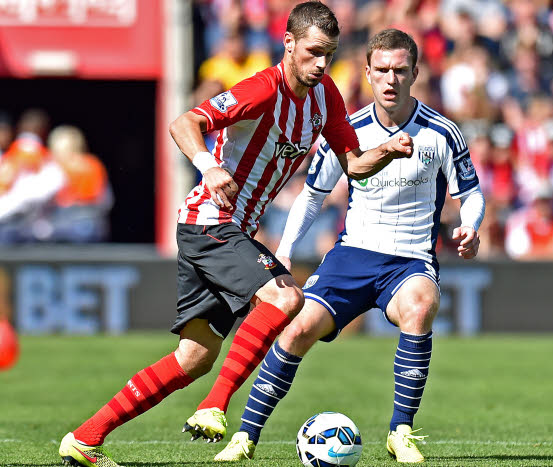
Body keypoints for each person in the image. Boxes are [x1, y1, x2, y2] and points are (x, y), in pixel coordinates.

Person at [58, 3, 413, 466]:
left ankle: (85, 438)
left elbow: (356, 165)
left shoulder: (326, 95)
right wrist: (208, 165)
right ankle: (214, 406)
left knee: (194, 357)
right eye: (313, 52)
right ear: (288, 44)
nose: (321, 63)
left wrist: (386, 150)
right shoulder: (261, 88)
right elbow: (184, 123)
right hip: (210, 220)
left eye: (328, 53)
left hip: (228, 229)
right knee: (286, 296)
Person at [195, 28, 485, 464]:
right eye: (381, 70)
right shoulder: (346, 130)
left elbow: (472, 192)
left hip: (410, 259)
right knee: (296, 328)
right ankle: (245, 437)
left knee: (420, 305)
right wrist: (286, 250)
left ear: (415, 74)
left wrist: (470, 224)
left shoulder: (443, 132)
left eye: (400, 70)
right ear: (366, 73)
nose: (390, 79)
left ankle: (401, 432)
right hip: (352, 256)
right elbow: (312, 196)